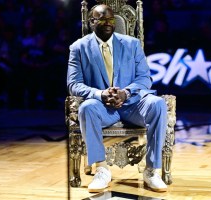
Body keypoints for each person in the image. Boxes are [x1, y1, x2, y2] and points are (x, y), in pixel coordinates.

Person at [67, 4, 168, 193]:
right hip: (102, 107)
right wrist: (100, 94)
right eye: (103, 19)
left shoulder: (132, 44)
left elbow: (145, 78)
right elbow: (74, 84)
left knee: (158, 104)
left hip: (133, 104)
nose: (108, 23)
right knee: (86, 108)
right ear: (91, 22)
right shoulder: (78, 48)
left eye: (111, 20)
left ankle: (151, 171)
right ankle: (102, 169)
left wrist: (126, 92)